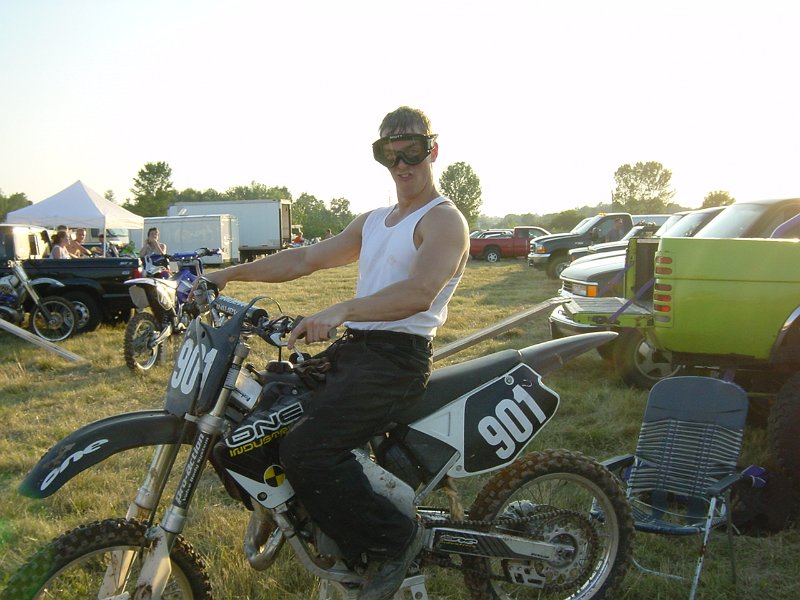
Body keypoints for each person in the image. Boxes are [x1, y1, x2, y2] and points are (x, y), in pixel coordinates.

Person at [198, 106, 469, 600]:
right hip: (357, 352)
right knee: (260, 414)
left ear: (433, 150)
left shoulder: (444, 220)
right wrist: (228, 274)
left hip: (397, 361)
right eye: (388, 154)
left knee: (307, 450)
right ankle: (296, 516)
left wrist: (343, 309)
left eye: (411, 152)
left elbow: (420, 292)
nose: (401, 164)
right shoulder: (375, 221)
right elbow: (305, 258)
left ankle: (395, 542)